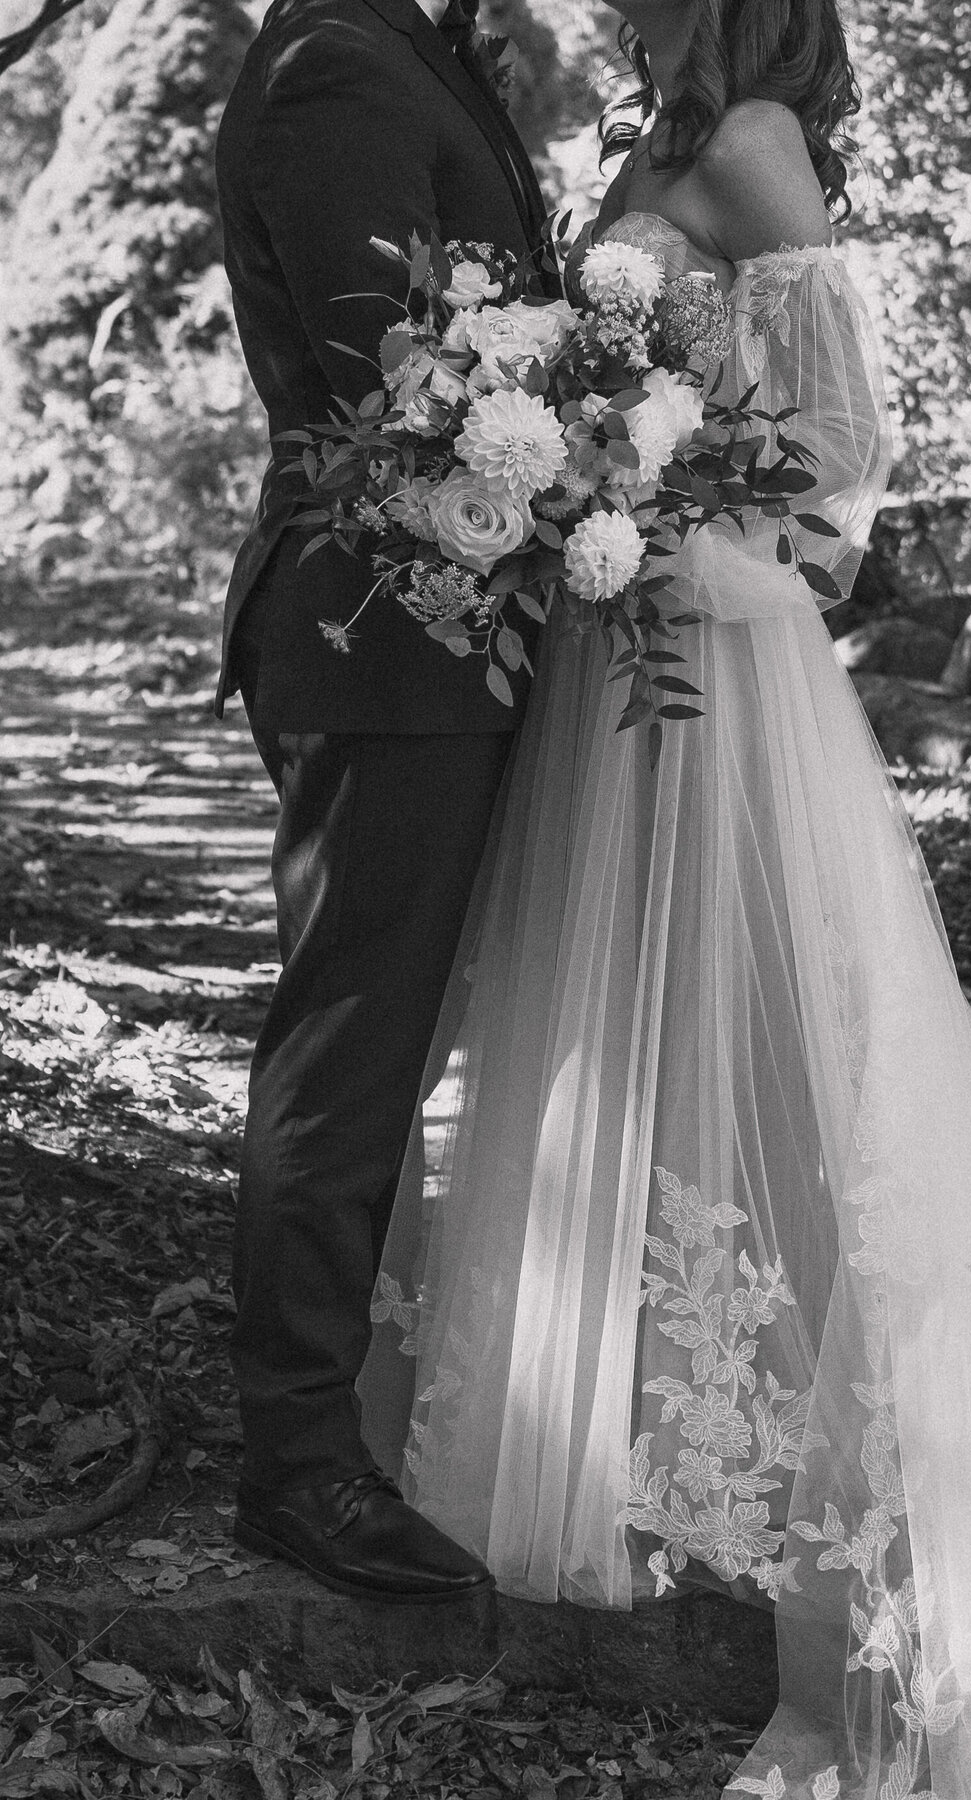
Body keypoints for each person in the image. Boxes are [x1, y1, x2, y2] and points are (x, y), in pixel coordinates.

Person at [359, 0, 971, 1790]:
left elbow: (842, 460)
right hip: (606, 662)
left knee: (776, 1030)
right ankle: (621, 1431)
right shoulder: (640, 141)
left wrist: (664, 520)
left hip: (718, 663)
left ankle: (863, 1510)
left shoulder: (748, 143)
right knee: (623, 1027)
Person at [213, 0, 556, 1602]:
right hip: (377, 627)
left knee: (384, 1037)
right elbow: (399, 378)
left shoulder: (414, 46)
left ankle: (345, 1416)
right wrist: (607, 468)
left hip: (446, 624)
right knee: (349, 1048)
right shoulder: (332, 61)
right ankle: (295, 1467)